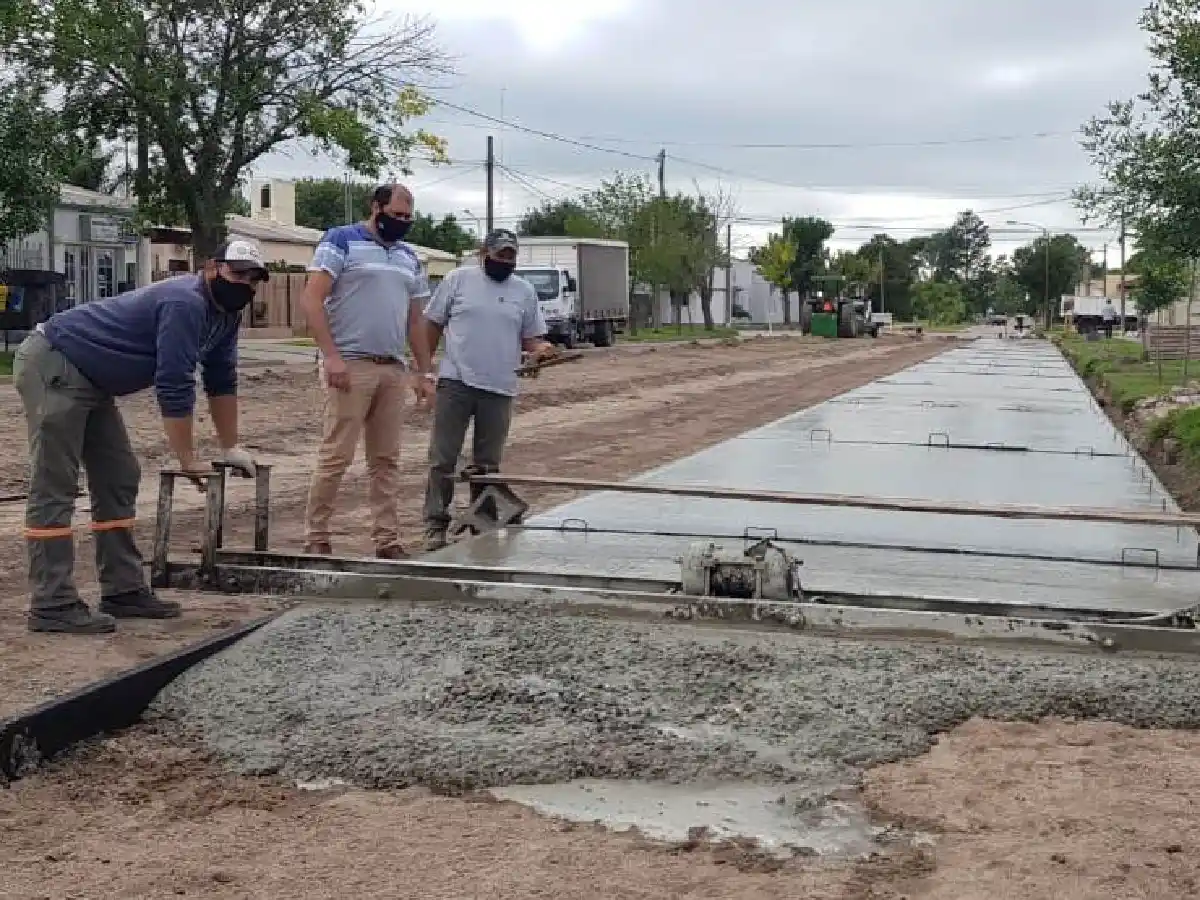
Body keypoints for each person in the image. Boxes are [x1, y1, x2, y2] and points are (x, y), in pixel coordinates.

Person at [13, 239, 267, 634]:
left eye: (254, 279)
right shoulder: (186, 302)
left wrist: (230, 446)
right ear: (212, 268)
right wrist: (187, 458)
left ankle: (122, 589)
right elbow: (174, 382)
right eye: (237, 273)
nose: (245, 285)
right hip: (55, 361)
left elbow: (221, 379)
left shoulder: (226, 317)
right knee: (55, 484)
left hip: (92, 380)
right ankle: (52, 602)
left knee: (118, 477)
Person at [301, 183, 434, 559]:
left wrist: (425, 372)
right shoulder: (340, 241)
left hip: (392, 368)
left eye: (409, 217)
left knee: (386, 459)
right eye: (397, 215)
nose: (403, 222)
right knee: (336, 454)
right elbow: (312, 300)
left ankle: (387, 540)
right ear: (376, 208)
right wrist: (331, 357)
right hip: (351, 364)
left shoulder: (410, 257)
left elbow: (416, 320)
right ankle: (317, 536)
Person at [419, 228, 557, 551]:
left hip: (500, 386)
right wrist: (425, 369)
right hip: (456, 382)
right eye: (500, 254)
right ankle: (435, 525)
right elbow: (432, 324)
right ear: (485, 253)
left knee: (487, 463)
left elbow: (532, 338)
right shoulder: (458, 280)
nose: (505, 260)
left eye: (511, 255)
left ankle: (482, 521)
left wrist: (542, 350)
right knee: (443, 458)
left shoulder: (523, 291)